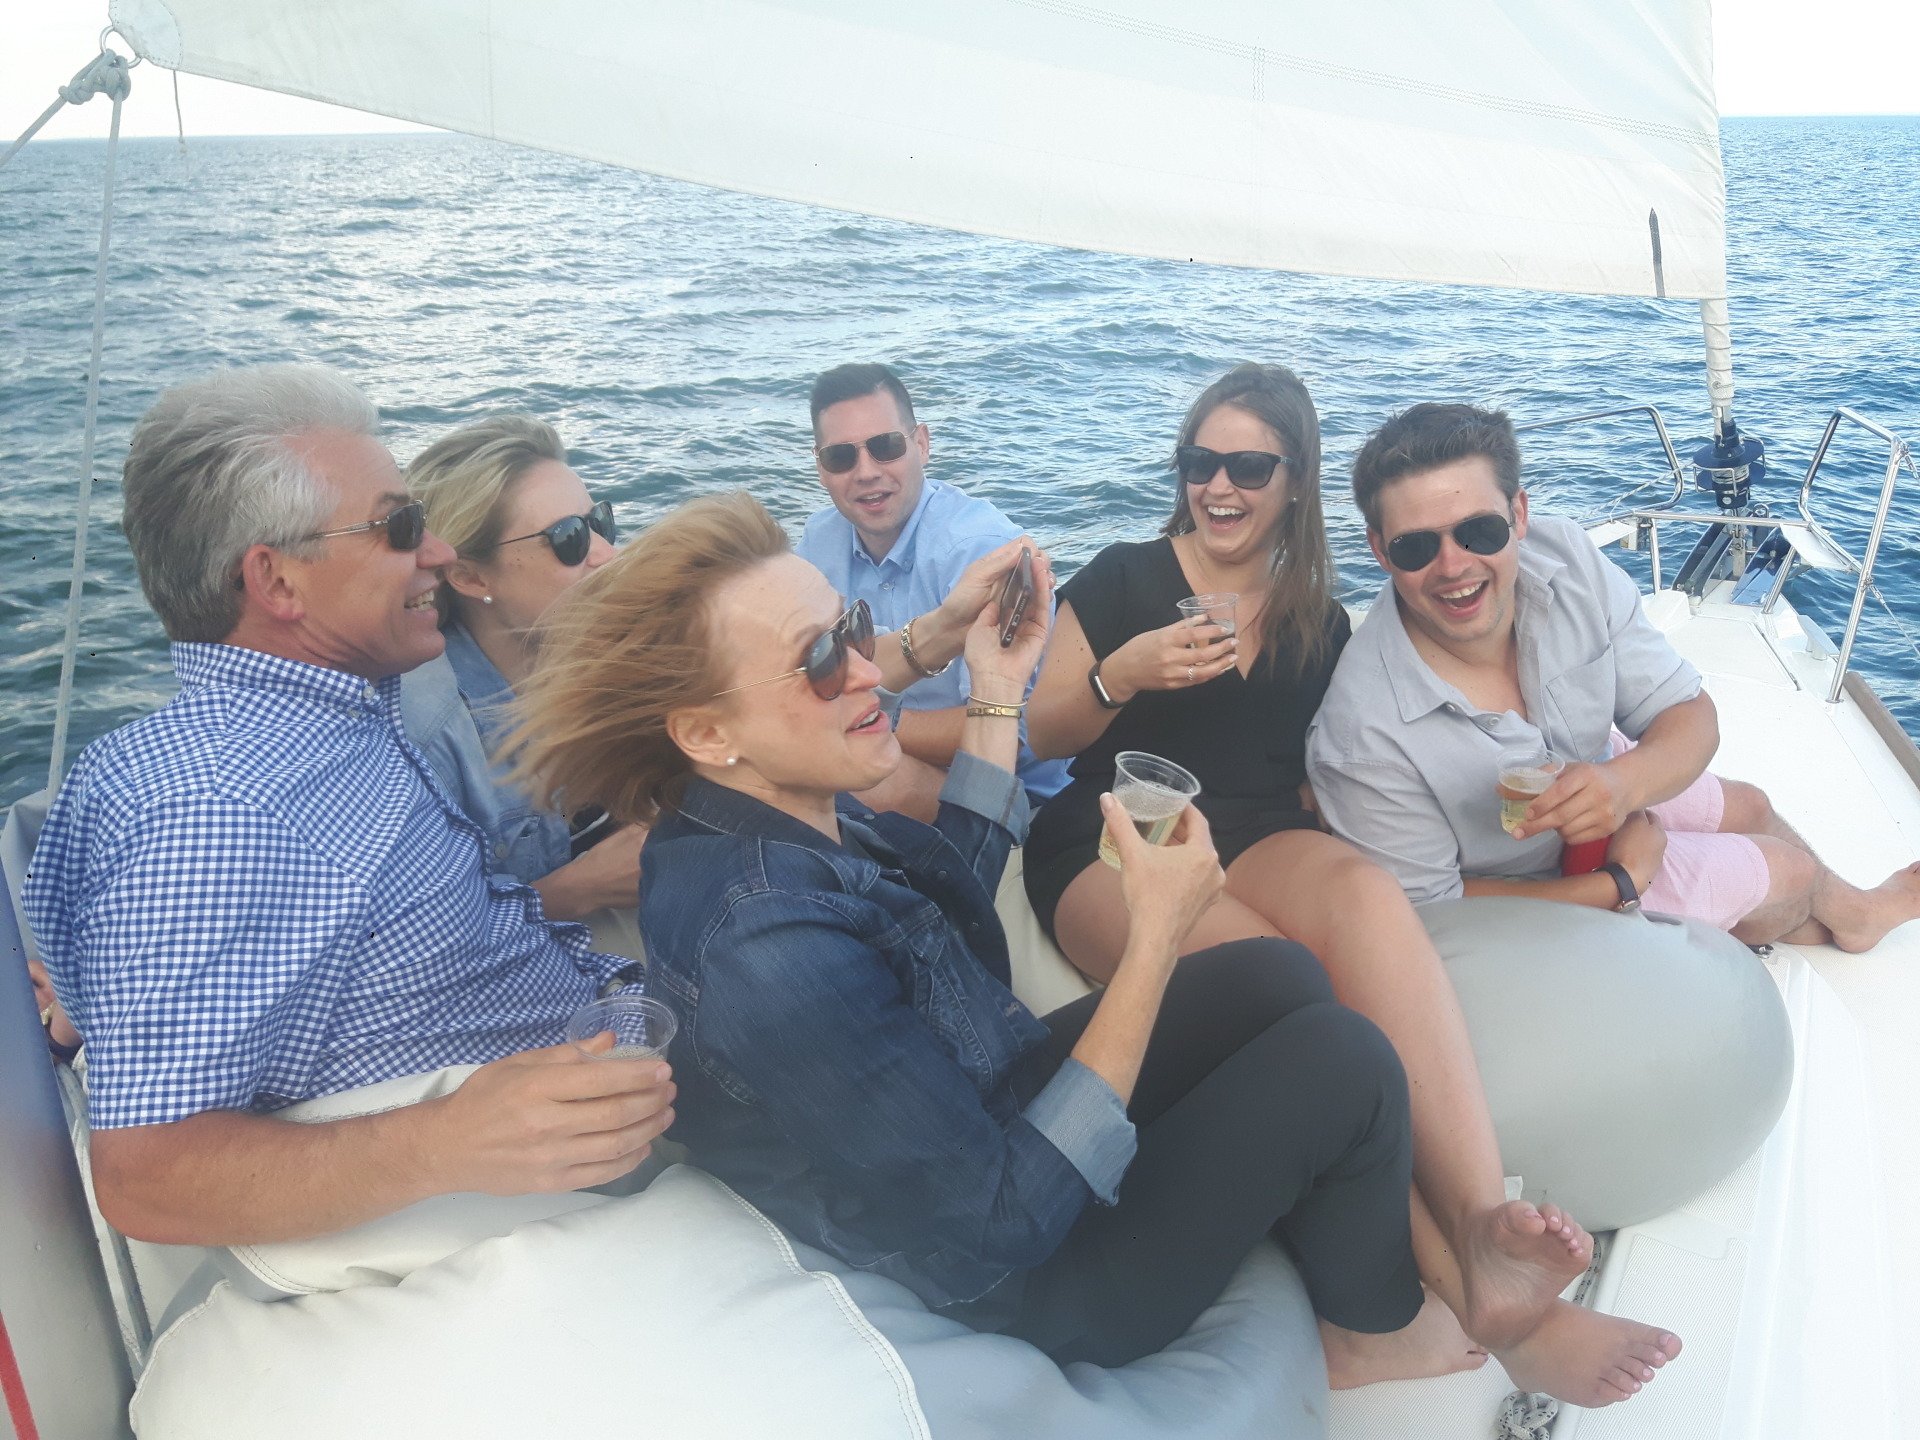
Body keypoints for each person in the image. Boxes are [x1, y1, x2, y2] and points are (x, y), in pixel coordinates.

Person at [510, 489, 1432, 1378]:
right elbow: (1003, 1219)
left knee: (1276, 974)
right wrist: (1155, 936)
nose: (868, 671)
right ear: (707, 733)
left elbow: (943, 897)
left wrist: (995, 684)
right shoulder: (762, 944)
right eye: (820, 660)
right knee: (1343, 1063)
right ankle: (1367, 1337)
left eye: (852, 628)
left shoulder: (775, 807)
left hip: (991, 1097)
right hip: (1028, 1282)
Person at [1025, 364, 1679, 1405]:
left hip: (1259, 831)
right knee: (1288, 996)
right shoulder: (1122, 578)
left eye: (1249, 466)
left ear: (1295, 478)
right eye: (1201, 462)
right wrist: (1123, 674)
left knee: (1369, 902)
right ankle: (1459, 1292)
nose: (1219, 485)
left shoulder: (1316, 619)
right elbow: (1044, 732)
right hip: (1116, 834)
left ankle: (1482, 1223)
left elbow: (1322, 764)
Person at [21, 364, 675, 1247]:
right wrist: (445, 1140)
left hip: (596, 1040)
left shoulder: (335, 713)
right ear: (277, 582)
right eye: (400, 527)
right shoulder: (220, 812)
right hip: (557, 1169)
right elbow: (150, 1176)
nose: (437, 553)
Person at [1306, 401, 1920, 952]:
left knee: (1751, 805)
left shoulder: (1568, 560)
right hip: (1538, 889)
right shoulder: (1362, 735)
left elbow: (1688, 715)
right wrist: (1620, 881)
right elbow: (1431, 912)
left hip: (1600, 773)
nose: (1452, 566)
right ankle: (1822, 916)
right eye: (1415, 547)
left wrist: (1621, 788)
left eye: (1479, 531)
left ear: (1519, 514)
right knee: (1790, 872)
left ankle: (1852, 917)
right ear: (1380, 551)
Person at [399, 414, 647, 924]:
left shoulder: (600, 651)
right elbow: (418, 937)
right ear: (469, 577)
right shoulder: (426, 730)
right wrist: (579, 889)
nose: (607, 554)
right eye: (569, 538)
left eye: (599, 523)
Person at [796, 362, 1069, 819]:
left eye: (885, 447)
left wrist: (855, 721)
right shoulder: (818, 542)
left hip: (1015, 793)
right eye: (841, 457)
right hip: (874, 748)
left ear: (921, 444)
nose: (865, 472)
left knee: (845, 782)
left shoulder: (979, 551)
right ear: (820, 467)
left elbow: (1017, 731)